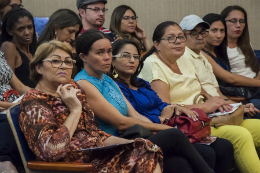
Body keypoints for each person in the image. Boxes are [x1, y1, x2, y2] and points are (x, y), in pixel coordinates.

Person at [74, 29, 218, 173]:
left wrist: (158, 128)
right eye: (100, 53)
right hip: (109, 147)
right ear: (83, 57)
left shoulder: (106, 78)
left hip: (130, 139)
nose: (107, 57)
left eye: (109, 51)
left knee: (177, 163)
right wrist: (165, 128)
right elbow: (121, 122)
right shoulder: (84, 83)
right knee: (174, 135)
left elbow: (135, 115)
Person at [19, 40, 164, 173]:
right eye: (55, 61)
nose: (64, 66)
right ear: (38, 67)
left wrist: (127, 144)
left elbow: (93, 134)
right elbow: (52, 151)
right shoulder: (34, 101)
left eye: (68, 62)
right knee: (145, 154)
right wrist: (75, 110)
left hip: (96, 156)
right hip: (74, 167)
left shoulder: (72, 91)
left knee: (146, 148)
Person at [110, 37, 234, 173]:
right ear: (113, 60)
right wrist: (161, 119)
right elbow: (133, 119)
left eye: (136, 56)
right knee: (203, 154)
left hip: (168, 127)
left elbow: (161, 104)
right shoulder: (115, 87)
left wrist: (176, 107)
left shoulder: (141, 83)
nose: (132, 60)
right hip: (147, 134)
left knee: (224, 146)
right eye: (125, 56)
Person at [201, 13, 260, 117]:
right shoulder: (202, 54)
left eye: (222, 31)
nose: (219, 35)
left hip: (234, 96)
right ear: (204, 32)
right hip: (224, 99)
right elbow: (230, 78)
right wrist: (257, 83)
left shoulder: (220, 50)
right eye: (214, 30)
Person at [0, 50, 30, 172]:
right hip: (6, 109)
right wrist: (13, 106)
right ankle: (4, 162)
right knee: (8, 120)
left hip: (14, 104)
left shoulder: (0, 55)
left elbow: (20, 87)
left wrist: (40, 94)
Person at [220, 5, 259, 79]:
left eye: (242, 21)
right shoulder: (219, 48)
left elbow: (255, 69)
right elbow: (231, 80)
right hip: (241, 88)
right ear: (222, 23)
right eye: (233, 21)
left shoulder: (245, 44)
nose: (238, 25)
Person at [0, 8, 37, 88]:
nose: (27, 32)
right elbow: (8, 82)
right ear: (10, 31)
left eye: (30, 27)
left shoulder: (34, 51)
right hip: (19, 98)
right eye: (21, 29)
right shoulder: (9, 46)